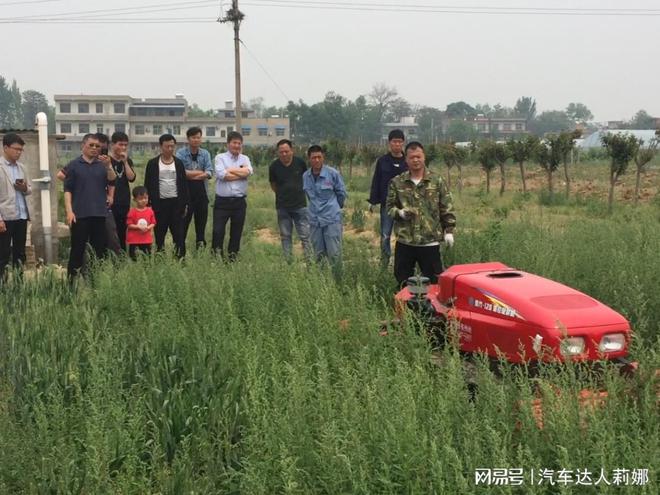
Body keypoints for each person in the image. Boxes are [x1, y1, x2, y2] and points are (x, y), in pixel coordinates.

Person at [386, 141, 456, 287]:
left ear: (424, 157)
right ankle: (406, 308)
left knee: (434, 282)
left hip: (429, 240)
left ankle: (431, 310)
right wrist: (400, 213)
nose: (415, 160)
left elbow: (446, 207)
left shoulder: (437, 181)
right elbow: (389, 208)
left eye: (418, 156)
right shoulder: (397, 182)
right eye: (412, 157)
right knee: (403, 280)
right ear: (406, 160)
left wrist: (449, 231)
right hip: (406, 240)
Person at [64, 133, 117, 279]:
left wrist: (108, 166)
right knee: (77, 250)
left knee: (98, 251)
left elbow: (112, 180)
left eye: (97, 146)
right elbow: (67, 190)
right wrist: (69, 211)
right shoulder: (74, 165)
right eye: (91, 145)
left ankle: (94, 282)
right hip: (80, 215)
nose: (94, 148)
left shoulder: (102, 164)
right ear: (83, 146)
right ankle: (71, 284)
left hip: (99, 214)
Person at [302, 145, 347, 276]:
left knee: (334, 253)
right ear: (309, 159)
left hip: (331, 219)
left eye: (319, 157)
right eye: (313, 158)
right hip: (315, 221)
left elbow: (341, 194)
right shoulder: (306, 176)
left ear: (323, 158)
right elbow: (309, 197)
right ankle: (323, 282)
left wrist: (333, 208)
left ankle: (338, 282)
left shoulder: (333, 174)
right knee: (318, 254)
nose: (316, 160)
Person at [144, 134, 189, 258]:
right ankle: (160, 258)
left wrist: (185, 204)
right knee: (159, 235)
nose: (170, 149)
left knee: (179, 235)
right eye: (167, 146)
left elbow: (183, 185)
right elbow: (147, 184)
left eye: (172, 146)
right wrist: (148, 205)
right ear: (160, 147)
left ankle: (180, 259)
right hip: (159, 205)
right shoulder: (152, 163)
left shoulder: (179, 163)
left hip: (176, 204)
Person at [368, 129, 408, 265]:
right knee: (385, 235)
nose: (397, 145)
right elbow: (376, 180)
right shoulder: (382, 161)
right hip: (388, 205)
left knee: (404, 235)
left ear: (403, 143)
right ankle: (384, 263)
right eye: (394, 142)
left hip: (405, 205)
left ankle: (403, 262)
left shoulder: (408, 161)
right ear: (389, 143)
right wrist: (373, 200)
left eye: (399, 142)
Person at [212, 131, 253, 261]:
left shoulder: (245, 158)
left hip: (239, 202)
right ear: (228, 144)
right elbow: (222, 175)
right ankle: (216, 257)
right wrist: (240, 174)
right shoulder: (220, 158)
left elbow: (248, 172)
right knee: (218, 231)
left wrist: (229, 170)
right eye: (234, 143)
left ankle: (232, 259)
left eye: (239, 143)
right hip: (222, 202)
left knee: (236, 232)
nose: (237, 145)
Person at [269, 139, 311, 260]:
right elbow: (273, 185)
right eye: (281, 152)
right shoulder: (274, 167)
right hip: (283, 208)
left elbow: (306, 180)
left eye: (286, 151)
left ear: (292, 151)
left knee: (305, 236)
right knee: (285, 236)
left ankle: (309, 262)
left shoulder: (300, 163)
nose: (284, 154)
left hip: (300, 206)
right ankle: (288, 262)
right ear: (278, 152)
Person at [0, 133, 31, 283]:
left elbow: (29, 189)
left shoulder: (22, 168)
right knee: (3, 253)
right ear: (5, 147)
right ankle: (2, 286)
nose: (18, 152)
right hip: (5, 217)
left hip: (22, 215)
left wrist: (24, 187)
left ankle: (19, 285)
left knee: (20, 253)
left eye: (21, 150)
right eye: (16, 149)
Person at [176, 127, 213, 249]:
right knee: (183, 224)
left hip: (202, 195)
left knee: (201, 225)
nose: (196, 140)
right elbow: (181, 172)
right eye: (193, 137)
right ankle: (180, 251)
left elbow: (209, 172)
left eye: (198, 137)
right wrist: (199, 173)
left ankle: (200, 248)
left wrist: (191, 175)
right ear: (188, 139)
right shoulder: (181, 153)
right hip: (186, 195)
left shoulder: (205, 153)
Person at [108, 131, 136, 250]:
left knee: (122, 230)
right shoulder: (107, 160)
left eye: (125, 145)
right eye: (120, 144)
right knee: (110, 231)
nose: (123, 147)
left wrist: (125, 162)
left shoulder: (127, 161)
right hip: (110, 200)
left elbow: (132, 178)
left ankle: (122, 256)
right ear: (113, 144)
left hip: (124, 201)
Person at [125, 186, 156, 260]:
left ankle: (146, 270)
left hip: (146, 240)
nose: (143, 200)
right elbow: (129, 224)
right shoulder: (132, 212)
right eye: (140, 199)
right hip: (134, 240)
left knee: (146, 258)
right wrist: (138, 227)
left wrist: (148, 227)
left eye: (145, 198)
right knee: (133, 258)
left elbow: (153, 222)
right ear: (135, 199)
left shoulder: (150, 211)